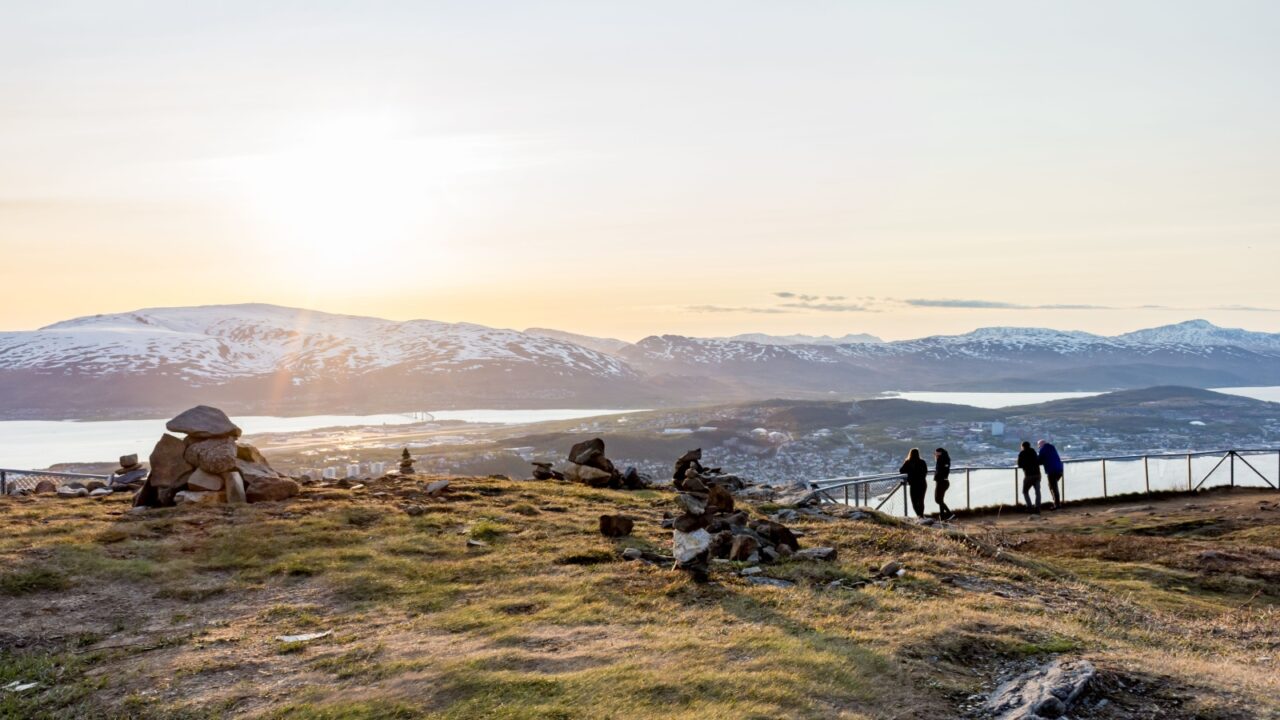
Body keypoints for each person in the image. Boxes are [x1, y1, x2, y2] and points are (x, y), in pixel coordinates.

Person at [899, 448, 929, 518]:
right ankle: (921, 515)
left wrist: (909, 475)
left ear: (910, 453)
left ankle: (918, 515)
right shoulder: (922, 462)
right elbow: (925, 472)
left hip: (913, 484)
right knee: (921, 500)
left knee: (914, 501)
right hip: (922, 484)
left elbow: (901, 470)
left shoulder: (908, 462)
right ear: (918, 454)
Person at [1037, 439, 1064, 509]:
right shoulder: (1052, 447)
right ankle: (1057, 503)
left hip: (1052, 470)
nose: (1038, 447)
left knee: (1053, 487)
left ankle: (1057, 505)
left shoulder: (1043, 450)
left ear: (1041, 444)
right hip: (1060, 469)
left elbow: (1039, 461)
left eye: (1039, 446)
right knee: (1052, 486)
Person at [1017, 440, 1042, 514]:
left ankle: (1029, 507)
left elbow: (1019, 465)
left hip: (1028, 475)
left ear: (1023, 447)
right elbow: (1038, 461)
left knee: (1025, 491)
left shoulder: (1022, 453)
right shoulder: (1033, 452)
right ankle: (1037, 508)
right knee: (1037, 492)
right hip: (1037, 474)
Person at [933, 448, 954, 521]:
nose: (935, 455)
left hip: (941, 482)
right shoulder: (946, 460)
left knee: (938, 500)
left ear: (940, 453)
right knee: (940, 500)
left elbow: (940, 471)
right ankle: (942, 516)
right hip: (944, 482)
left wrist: (937, 475)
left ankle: (950, 514)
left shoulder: (941, 460)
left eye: (936, 453)